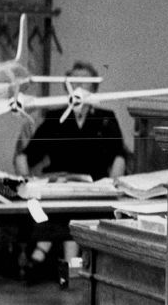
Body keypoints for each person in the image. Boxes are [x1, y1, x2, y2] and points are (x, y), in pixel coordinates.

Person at [14, 60, 128, 284]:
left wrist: (114, 186)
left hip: (93, 188)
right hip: (59, 187)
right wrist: (27, 180)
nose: (78, 86)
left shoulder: (106, 118)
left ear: (94, 88)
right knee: (59, 214)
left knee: (77, 217)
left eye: (85, 82)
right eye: (73, 81)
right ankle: (60, 268)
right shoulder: (55, 118)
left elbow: (119, 156)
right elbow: (25, 155)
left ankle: (52, 262)